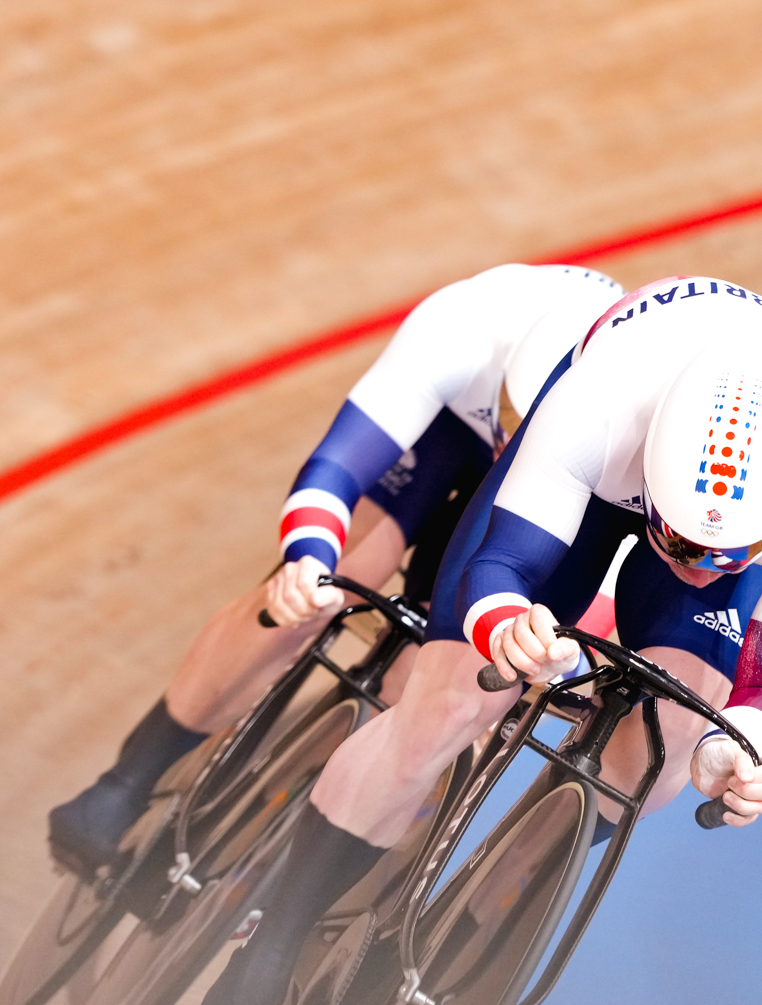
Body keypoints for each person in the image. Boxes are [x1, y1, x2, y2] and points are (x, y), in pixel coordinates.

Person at [196, 274, 762, 1005]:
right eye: (683, 546)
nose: (700, 571)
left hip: (706, 483)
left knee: (664, 758)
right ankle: (271, 945)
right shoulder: (596, 408)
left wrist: (755, 750)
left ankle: (465, 922)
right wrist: (504, 629)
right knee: (447, 702)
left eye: (723, 558)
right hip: (593, 479)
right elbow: (501, 565)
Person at [46, 264, 623, 877]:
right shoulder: (469, 326)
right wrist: (307, 561)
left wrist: (528, 651)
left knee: (455, 689)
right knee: (331, 580)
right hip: (451, 433)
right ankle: (128, 780)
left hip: (558, 496)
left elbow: (585, 602)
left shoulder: (619, 445)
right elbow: (336, 470)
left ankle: (311, 869)